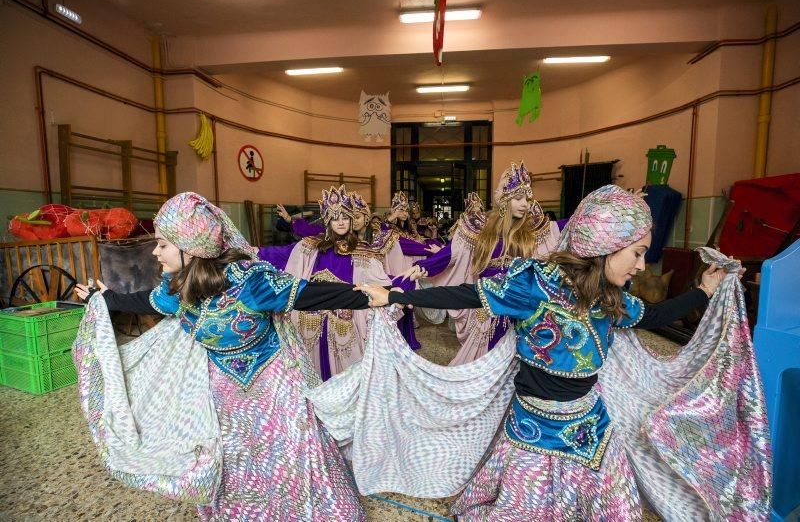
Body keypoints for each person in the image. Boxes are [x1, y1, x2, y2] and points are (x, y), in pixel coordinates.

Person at [354, 184, 770, 521]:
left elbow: (655, 315)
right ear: (605, 245)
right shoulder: (535, 285)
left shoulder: (612, 298)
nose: (642, 267)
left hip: (592, 425)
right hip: (534, 428)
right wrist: (394, 295)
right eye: (637, 254)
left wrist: (704, 290)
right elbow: (469, 294)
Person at [73, 192, 369, 520]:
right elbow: (147, 302)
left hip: (276, 389)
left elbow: (311, 295)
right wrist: (105, 298)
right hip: (224, 394)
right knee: (235, 457)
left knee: (289, 452)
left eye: (162, 244)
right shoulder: (176, 288)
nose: (156, 252)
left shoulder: (252, 282)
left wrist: (373, 297)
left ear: (190, 245)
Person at [401, 162, 561, 365]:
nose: (525, 204)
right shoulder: (479, 229)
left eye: (528, 199)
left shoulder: (533, 232)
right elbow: (451, 254)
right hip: (487, 307)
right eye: (519, 198)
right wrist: (422, 267)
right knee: (482, 359)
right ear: (504, 199)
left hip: (519, 309)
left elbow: (561, 236)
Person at [258, 185, 414, 379]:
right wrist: (254, 252)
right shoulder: (311, 246)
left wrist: (401, 286)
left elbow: (379, 282)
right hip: (309, 321)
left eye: (345, 217)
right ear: (327, 220)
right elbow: (282, 254)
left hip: (343, 324)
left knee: (346, 374)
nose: (340, 222)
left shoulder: (362, 251)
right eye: (335, 217)